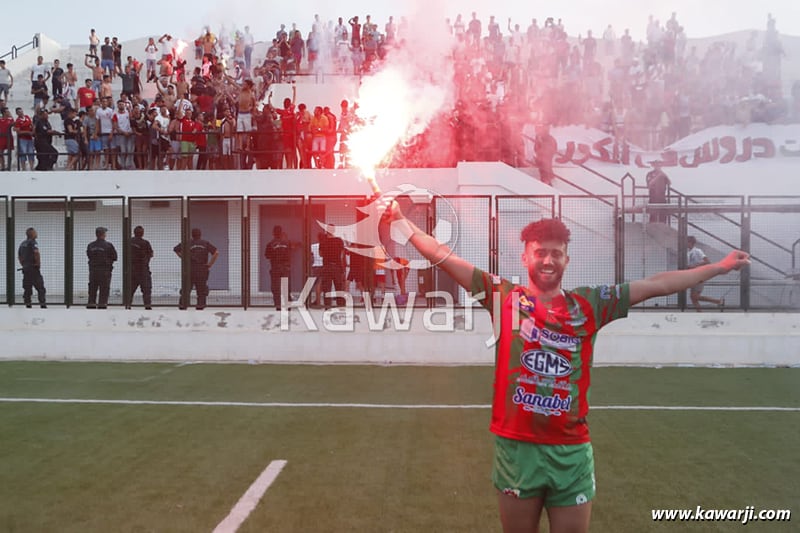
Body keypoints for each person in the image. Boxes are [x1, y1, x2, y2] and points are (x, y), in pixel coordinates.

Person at [386, 206, 750, 533]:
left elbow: (657, 285)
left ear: (567, 259)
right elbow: (441, 254)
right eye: (540, 252)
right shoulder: (502, 296)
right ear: (525, 255)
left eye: (556, 254)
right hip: (517, 449)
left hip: (571, 452)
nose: (548, 260)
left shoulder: (591, 304)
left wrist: (718, 267)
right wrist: (402, 222)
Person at [174, 228, 218, 310]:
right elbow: (216, 253)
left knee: (186, 289)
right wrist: (209, 264)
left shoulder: (187, 243)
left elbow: (176, 249)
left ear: (192, 235)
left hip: (189, 269)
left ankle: (183, 306)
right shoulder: (205, 243)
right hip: (202, 269)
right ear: (200, 235)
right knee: (201, 291)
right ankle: (200, 307)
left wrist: (183, 258)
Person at [686, 236, 725, 311]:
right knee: (693, 298)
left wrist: (694, 266)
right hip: (693, 276)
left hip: (699, 276)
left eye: (686, 241)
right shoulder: (688, 253)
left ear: (690, 242)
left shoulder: (697, 251)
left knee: (695, 297)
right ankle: (700, 314)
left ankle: (718, 301)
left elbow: (707, 261)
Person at [86, 226, 118, 309]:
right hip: (105, 272)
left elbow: (89, 256)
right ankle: (102, 306)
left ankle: (91, 306)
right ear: (103, 234)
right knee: (104, 290)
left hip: (93, 271)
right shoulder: (108, 245)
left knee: (92, 290)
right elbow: (115, 257)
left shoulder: (90, 245)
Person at [18, 227, 46, 308]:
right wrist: (38, 263)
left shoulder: (22, 243)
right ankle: (43, 305)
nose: (36, 233)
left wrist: (23, 265)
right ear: (32, 234)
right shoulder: (33, 242)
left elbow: (19, 256)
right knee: (40, 288)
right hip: (33, 269)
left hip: (26, 269)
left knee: (27, 288)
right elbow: (36, 253)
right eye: (35, 232)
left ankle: (28, 304)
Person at [264, 225, 291, 310]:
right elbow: (289, 253)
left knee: (275, 287)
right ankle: (287, 305)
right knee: (286, 286)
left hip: (275, 267)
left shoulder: (270, 244)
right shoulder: (287, 243)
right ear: (281, 232)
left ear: (273, 233)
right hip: (285, 267)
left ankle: (278, 306)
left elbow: (267, 256)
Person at [319, 226, 345, 308]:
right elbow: (342, 255)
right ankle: (340, 305)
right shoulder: (339, 241)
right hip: (336, 266)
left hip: (326, 266)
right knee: (339, 286)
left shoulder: (323, 241)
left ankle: (327, 305)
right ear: (334, 230)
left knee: (327, 287)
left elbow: (320, 254)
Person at [129, 225, 154, 309]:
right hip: (143, 270)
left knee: (130, 290)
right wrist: (145, 260)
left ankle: (128, 306)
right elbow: (151, 254)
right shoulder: (145, 243)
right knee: (146, 290)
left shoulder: (129, 242)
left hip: (131, 270)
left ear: (134, 232)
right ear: (142, 233)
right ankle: (147, 307)